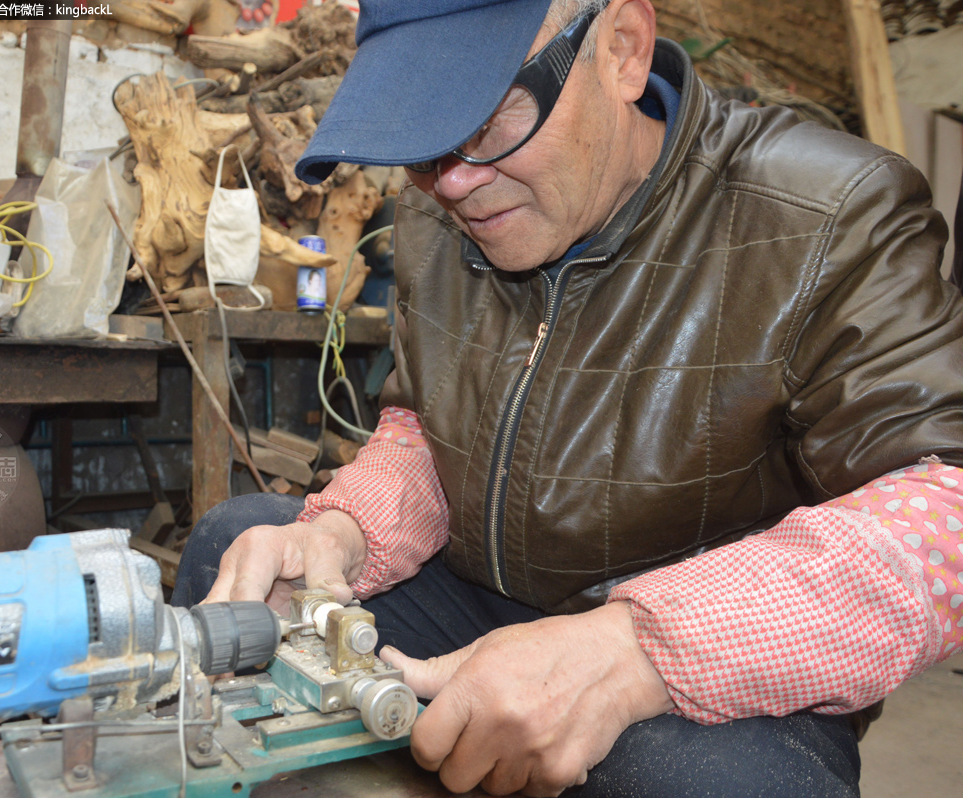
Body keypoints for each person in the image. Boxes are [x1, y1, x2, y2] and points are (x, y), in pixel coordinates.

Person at [175, 1, 963, 795]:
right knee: (238, 554)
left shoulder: (828, 213)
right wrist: (347, 531)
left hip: (693, 666)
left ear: (622, 48)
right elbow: (423, 423)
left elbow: (949, 505)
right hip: (485, 601)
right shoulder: (439, 214)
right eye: (424, 145)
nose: (453, 183)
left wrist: (630, 650)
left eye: (486, 122)